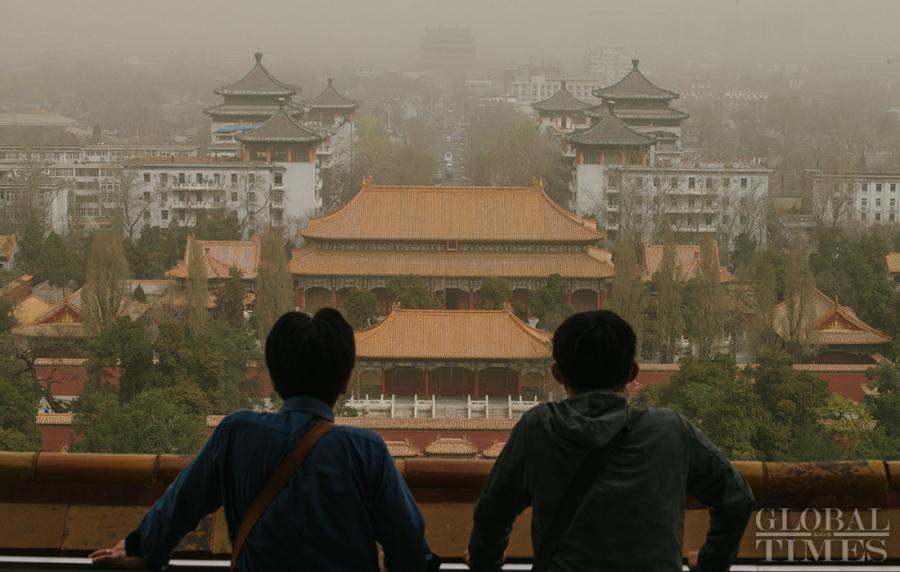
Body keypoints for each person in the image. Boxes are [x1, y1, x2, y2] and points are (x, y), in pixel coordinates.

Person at [91, 309, 440, 571]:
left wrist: (139, 547)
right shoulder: (366, 451)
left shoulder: (236, 434)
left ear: (273, 375)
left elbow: (180, 505)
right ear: (346, 378)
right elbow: (410, 550)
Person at [467, 310, 754, 572]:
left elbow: (492, 514)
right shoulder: (669, 430)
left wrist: (486, 563)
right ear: (632, 373)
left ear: (557, 373)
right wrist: (711, 561)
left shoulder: (540, 427)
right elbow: (737, 497)